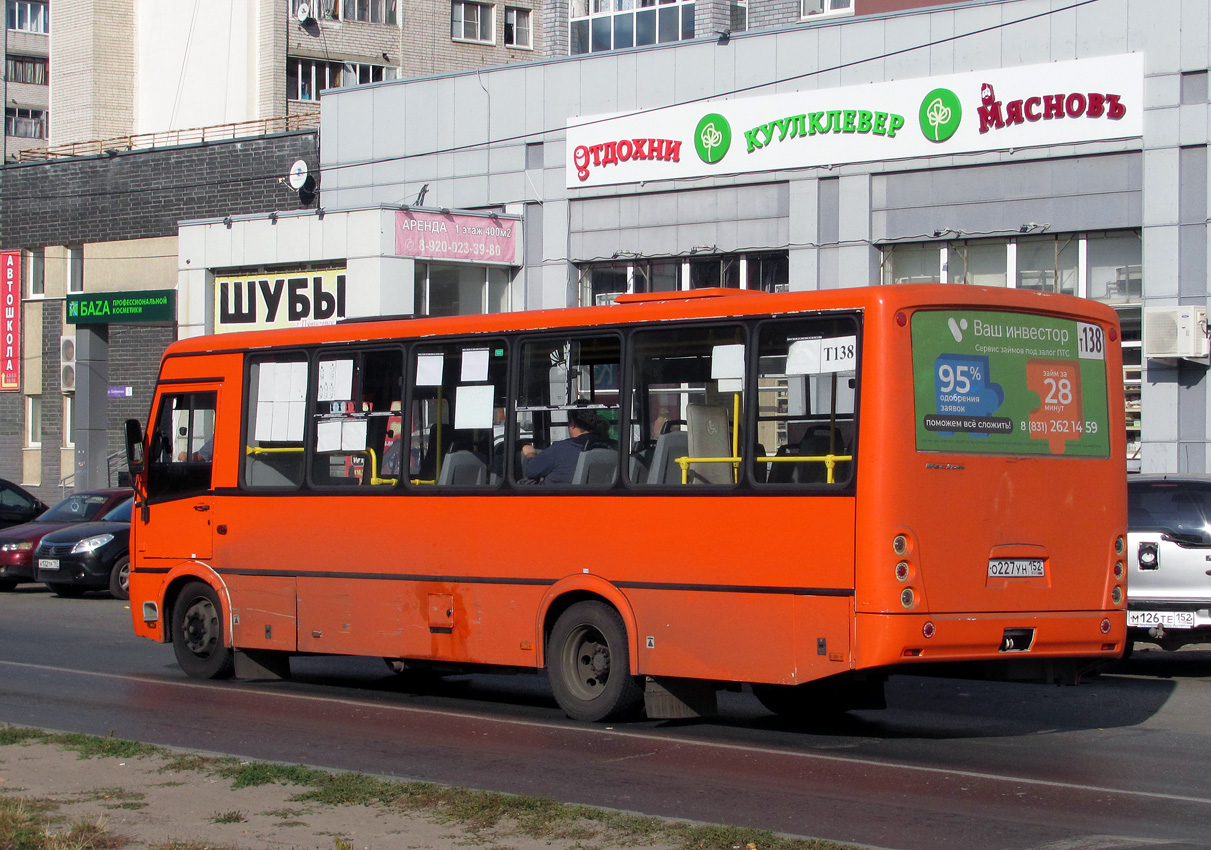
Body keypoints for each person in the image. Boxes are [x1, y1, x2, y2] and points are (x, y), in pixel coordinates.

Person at [521, 407, 608, 484]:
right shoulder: (609, 447)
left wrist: (530, 454)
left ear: (572, 423)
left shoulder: (561, 449)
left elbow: (531, 470)